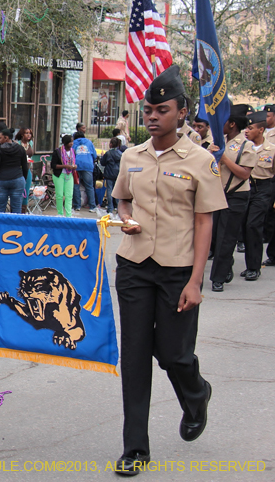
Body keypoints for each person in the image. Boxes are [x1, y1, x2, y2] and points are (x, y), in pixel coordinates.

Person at [111, 65, 226, 476]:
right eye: (148, 110)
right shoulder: (131, 156)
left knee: (175, 355)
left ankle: (196, 394)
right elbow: (122, 200)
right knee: (137, 356)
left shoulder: (200, 161)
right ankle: (134, 449)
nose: (153, 117)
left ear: (181, 112)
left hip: (178, 271)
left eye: (162, 109)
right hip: (134, 267)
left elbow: (204, 221)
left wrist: (196, 282)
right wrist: (125, 218)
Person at [207, 104, 256, 292]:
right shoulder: (220, 141)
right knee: (216, 236)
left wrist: (224, 158)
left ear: (233, 124)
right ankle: (225, 265)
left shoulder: (246, 145)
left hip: (236, 195)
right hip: (218, 194)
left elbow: (244, 173)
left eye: (224, 122)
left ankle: (217, 278)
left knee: (226, 238)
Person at [239, 111, 275, 281]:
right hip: (246, 188)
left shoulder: (272, 150)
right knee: (246, 225)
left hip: (263, 189)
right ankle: (250, 265)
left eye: (250, 128)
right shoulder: (243, 148)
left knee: (253, 225)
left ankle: (254, 267)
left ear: (260, 130)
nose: (246, 131)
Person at [0, 129, 28, 214]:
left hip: (1, 180)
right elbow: (25, 167)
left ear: (6, 138)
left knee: (0, 207)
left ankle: (0, 226)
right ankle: (15, 226)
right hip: (17, 179)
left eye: (0, 138)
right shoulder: (20, 148)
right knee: (16, 207)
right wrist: (23, 179)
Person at [51, 135, 76, 217]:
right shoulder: (58, 151)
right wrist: (65, 166)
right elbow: (53, 165)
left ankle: (69, 215)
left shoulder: (73, 151)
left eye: (72, 142)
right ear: (65, 143)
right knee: (59, 195)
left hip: (69, 174)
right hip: (59, 175)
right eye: (70, 142)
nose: (71, 144)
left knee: (69, 195)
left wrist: (74, 166)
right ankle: (60, 213)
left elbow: (74, 162)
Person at [72, 131, 97, 212]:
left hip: (76, 166)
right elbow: (95, 155)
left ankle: (77, 206)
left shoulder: (73, 143)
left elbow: (71, 155)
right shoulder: (89, 142)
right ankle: (92, 206)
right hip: (88, 166)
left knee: (76, 186)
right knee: (89, 186)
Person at [100, 137, 122, 214]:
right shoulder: (120, 153)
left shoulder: (108, 153)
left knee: (109, 190)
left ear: (111, 144)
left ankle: (110, 207)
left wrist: (102, 156)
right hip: (118, 174)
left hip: (109, 174)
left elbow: (102, 163)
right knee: (117, 191)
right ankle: (118, 207)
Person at [16, 127, 34, 213]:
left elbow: (31, 156)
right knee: (18, 191)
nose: (28, 135)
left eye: (30, 133)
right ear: (22, 134)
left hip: (28, 170)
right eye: (26, 133)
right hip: (19, 170)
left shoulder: (31, 143)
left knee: (26, 192)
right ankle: (16, 210)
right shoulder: (17, 144)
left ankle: (24, 211)